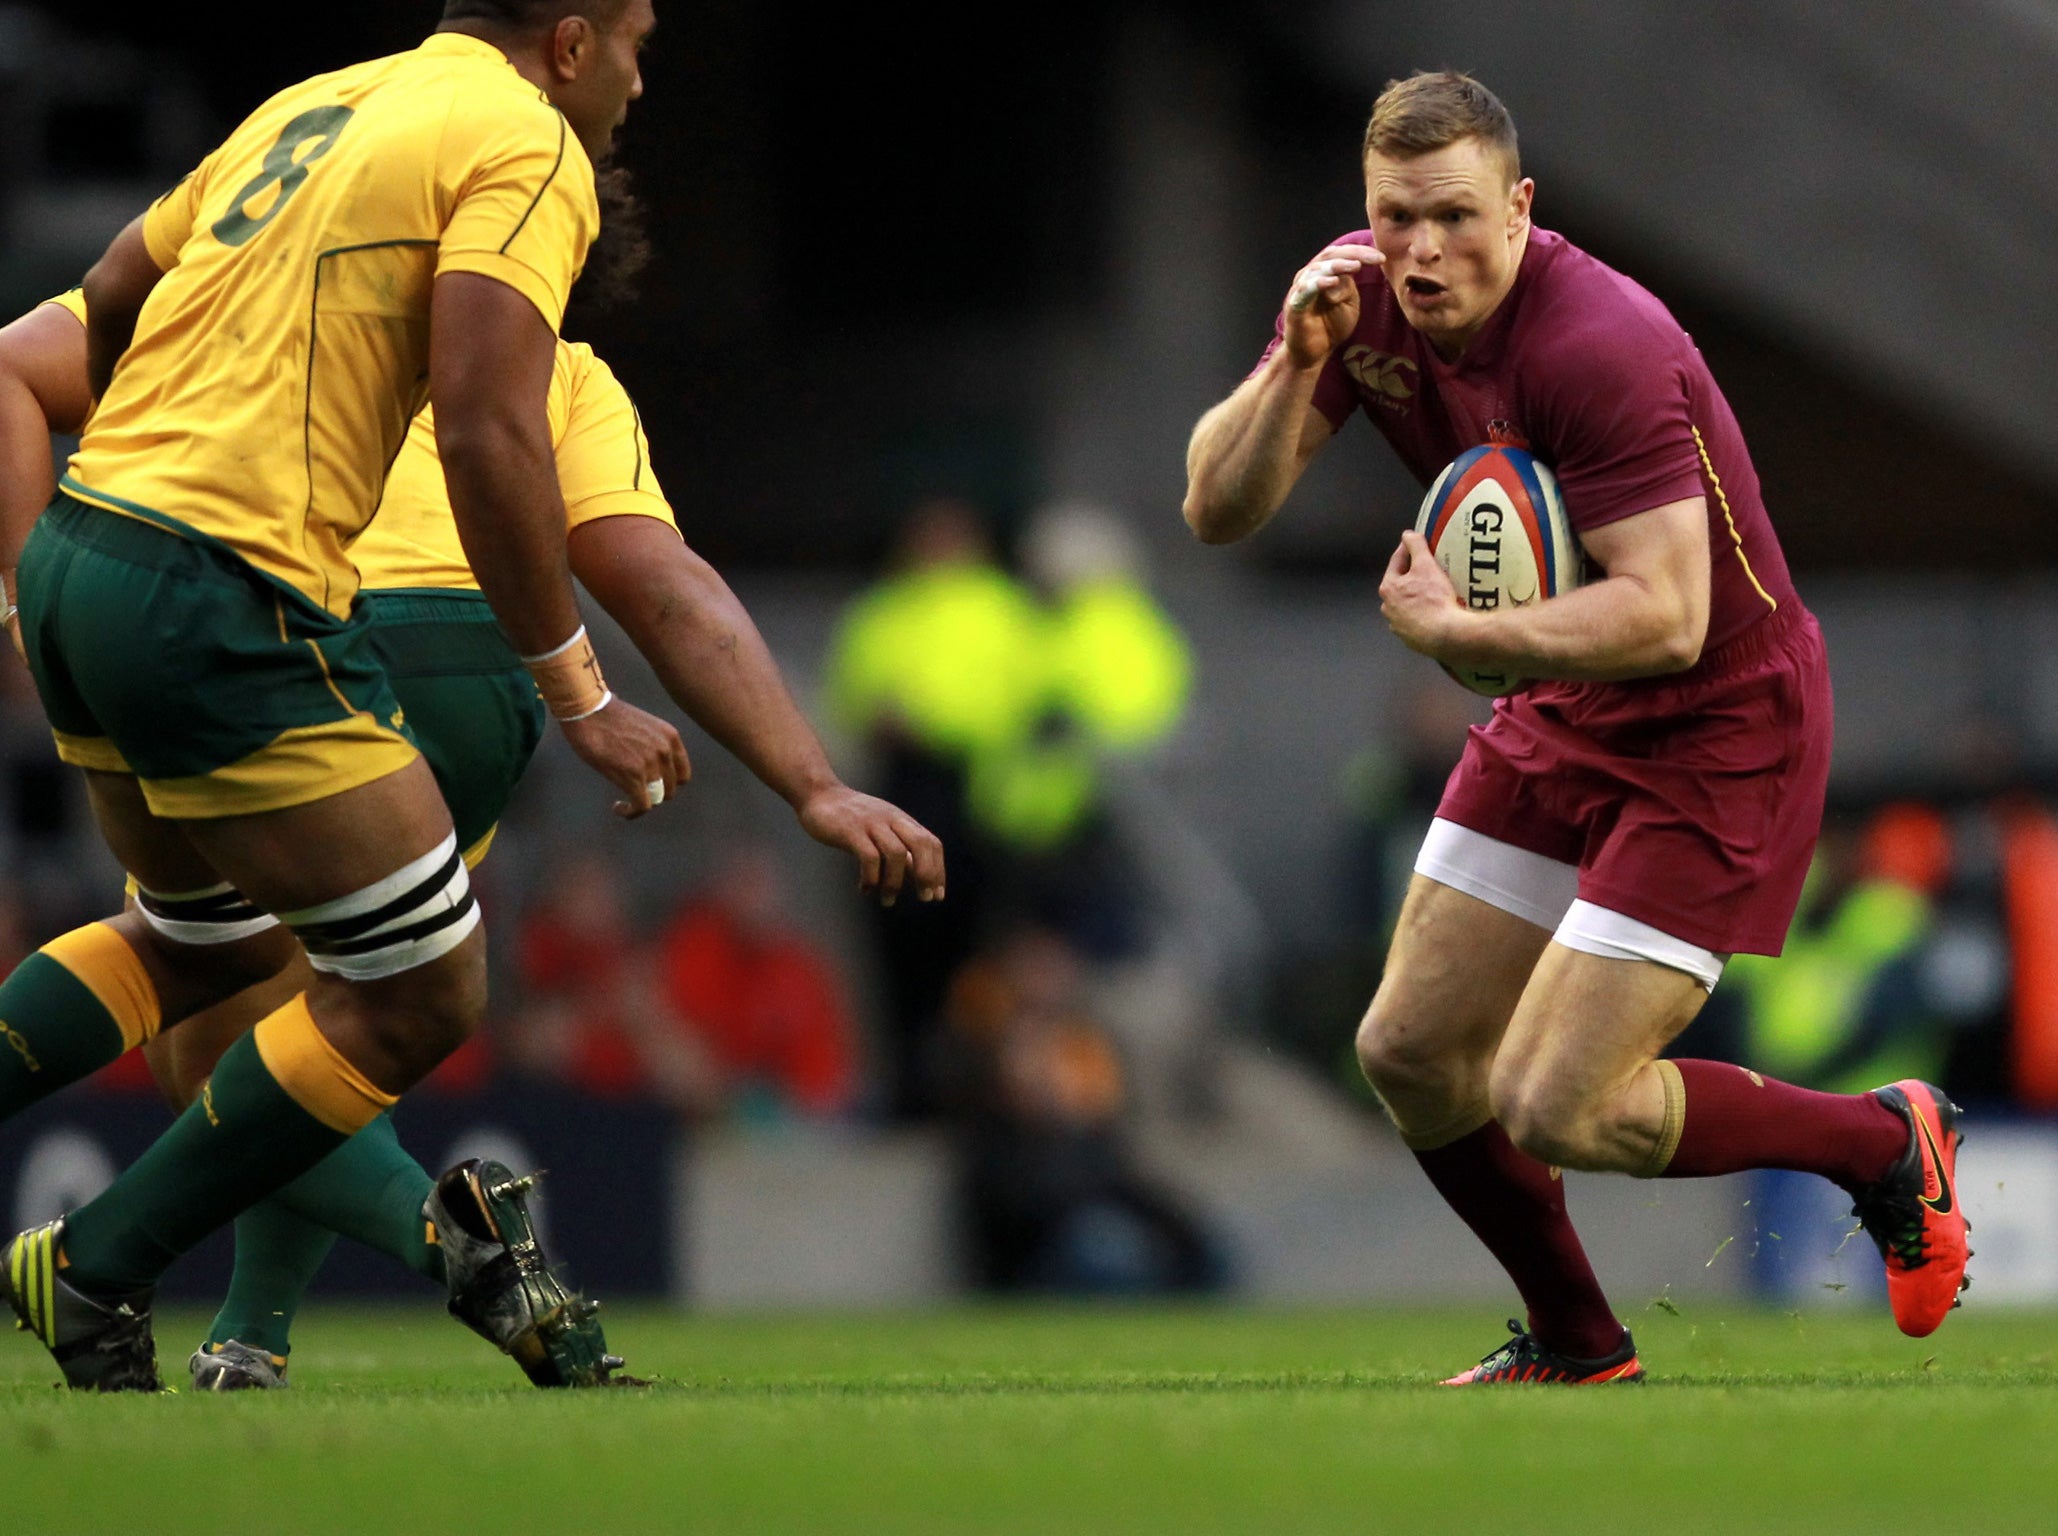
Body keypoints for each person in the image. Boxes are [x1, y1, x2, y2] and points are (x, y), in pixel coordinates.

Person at [0, 253, 943, 1384]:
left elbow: (14, 368)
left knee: (201, 1008)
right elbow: (665, 581)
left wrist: (16, 598)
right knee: (340, 1012)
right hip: (478, 682)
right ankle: (248, 1338)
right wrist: (812, 782)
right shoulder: (562, 370)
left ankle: (440, 1246)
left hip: (291, 635)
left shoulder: (265, 283)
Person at [1183, 71, 1967, 1382]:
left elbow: (1666, 615)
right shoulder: (1352, 294)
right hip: (1558, 700)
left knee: (1559, 1105)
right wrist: (1296, 372)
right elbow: (1215, 508)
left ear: (1519, 204)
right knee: (1410, 1053)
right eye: (1393, 218)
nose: (1420, 251)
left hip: (1717, 727)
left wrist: (1459, 642)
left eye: (1452, 217)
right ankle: (1577, 1346)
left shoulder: (1595, 341)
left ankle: (1881, 1144)